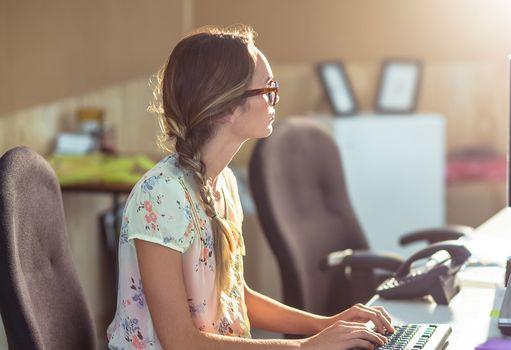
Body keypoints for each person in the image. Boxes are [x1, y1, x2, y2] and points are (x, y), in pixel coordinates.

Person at [107, 25, 394, 349]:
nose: (275, 98)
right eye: (267, 89)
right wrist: (306, 346)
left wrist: (326, 324)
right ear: (227, 107)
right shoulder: (160, 195)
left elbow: (237, 296)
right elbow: (180, 342)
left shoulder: (224, 183)